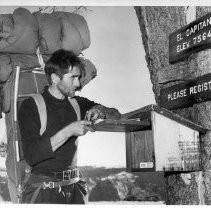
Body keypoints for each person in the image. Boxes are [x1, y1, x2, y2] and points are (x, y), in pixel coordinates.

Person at [18, 49, 121, 204]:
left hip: (75, 189)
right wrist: (68, 131)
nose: (78, 83)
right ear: (54, 78)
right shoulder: (31, 105)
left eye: (79, 77)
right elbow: (32, 156)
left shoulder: (77, 103)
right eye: (73, 77)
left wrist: (100, 110)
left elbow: (116, 115)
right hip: (44, 191)